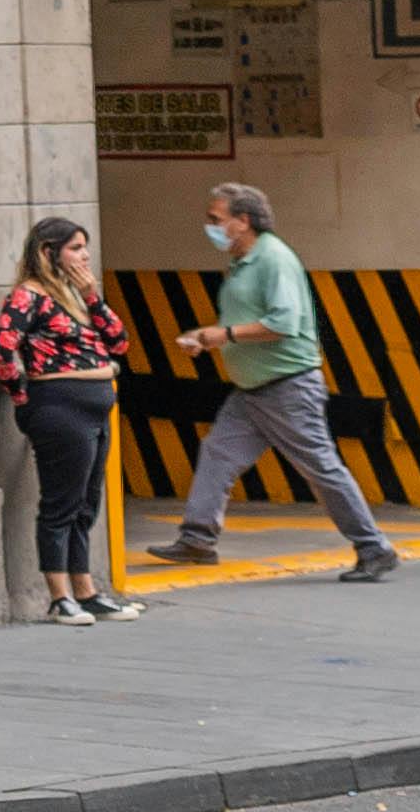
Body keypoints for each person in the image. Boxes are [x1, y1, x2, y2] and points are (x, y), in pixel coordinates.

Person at [161, 183, 396, 582]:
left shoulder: (273, 260)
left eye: (217, 219)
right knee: (218, 453)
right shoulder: (244, 260)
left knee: (320, 467)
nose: (211, 227)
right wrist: (209, 335)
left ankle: (373, 547)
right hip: (253, 390)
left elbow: (283, 324)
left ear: (243, 221)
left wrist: (226, 336)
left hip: (287, 387)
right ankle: (197, 538)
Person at [0, 220, 143, 621]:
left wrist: (92, 296)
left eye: (85, 247)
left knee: (87, 503)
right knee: (61, 503)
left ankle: (85, 590)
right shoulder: (27, 297)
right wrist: (24, 397)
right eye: (75, 248)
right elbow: (0, 350)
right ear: (47, 252)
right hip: (58, 408)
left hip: (96, 408)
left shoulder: (75, 297)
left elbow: (120, 342)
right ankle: (59, 597)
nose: (85, 256)